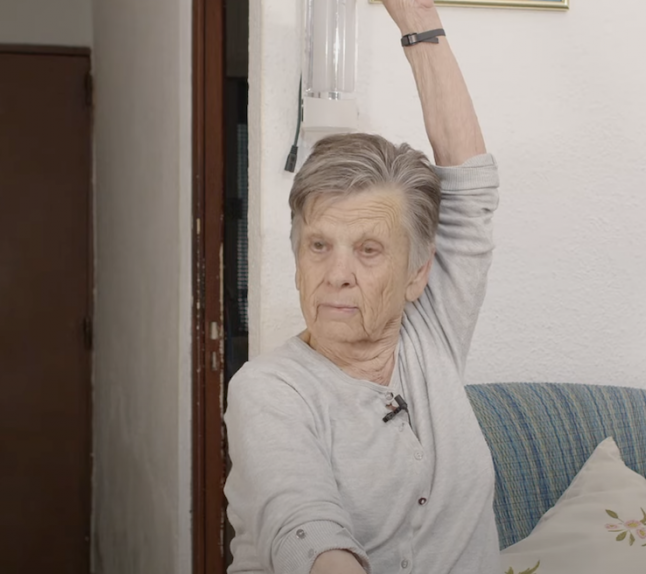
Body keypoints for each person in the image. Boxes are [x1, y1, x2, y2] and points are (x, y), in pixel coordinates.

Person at [224, 1, 501, 572]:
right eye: (318, 245)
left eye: (369, 250)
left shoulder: (432, 334)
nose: (336, 273)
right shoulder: (268, 391)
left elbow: (470, 191)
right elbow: (304, 527)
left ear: (417, 275)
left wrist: (416, 16)